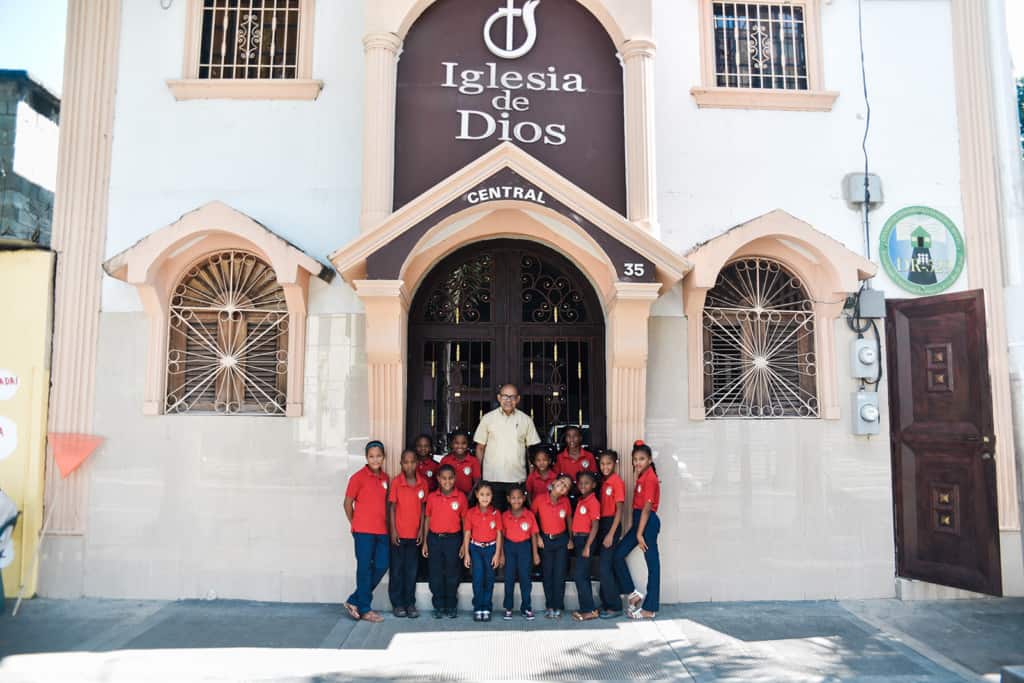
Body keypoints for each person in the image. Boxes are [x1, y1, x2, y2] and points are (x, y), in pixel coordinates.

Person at [612, 441, 661, 620]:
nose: (637, 462)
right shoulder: (642, 477)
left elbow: (647, 509)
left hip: (647, 525)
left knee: (653, 565)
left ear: (649, 460)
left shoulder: (650, 478)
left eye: (642, 459)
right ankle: (632, 593)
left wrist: (639, 534)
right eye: (635, 459)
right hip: (640, 524)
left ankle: (650, 608)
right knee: (617, 555)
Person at [343, 440, 390, 623]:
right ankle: (365, 609)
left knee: (381, 565)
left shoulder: (385, 478)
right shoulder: (358, 478)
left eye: (378, 456)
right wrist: (354, 523)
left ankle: (354, 600)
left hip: (382, 531)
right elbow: (347, 503)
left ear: (383, 457)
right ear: (366, 458)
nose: (375, 459)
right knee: (364, 569)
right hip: (363, 532)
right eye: (371, 456)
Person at [473, 384, 541, 510]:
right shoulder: (488, 418)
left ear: (518, 399)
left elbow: (531, 451)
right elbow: (480, 448)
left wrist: (530, 476)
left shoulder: (526, 420)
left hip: (517, 479)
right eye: (505, 396)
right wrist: (482, 473)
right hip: (492, 478)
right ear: (499, 398)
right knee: (495, 516)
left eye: (512, 397)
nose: (508, 400)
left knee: (515, 517)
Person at [422, 464, 467, 619]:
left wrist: (463, 544)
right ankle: (438, 606)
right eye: (444, 478)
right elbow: (427, 518)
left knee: (452, 573)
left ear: (454, 479)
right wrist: (426, 541)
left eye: (450, 478)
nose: (447, 481)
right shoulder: (432, 497)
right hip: (434, 539)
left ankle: (451, 605)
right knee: (435, 574)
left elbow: (465, 522)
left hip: (453, 540)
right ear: (438, 479)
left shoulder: (460, 497)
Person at [388, 449, 428, 618]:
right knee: (397, 571)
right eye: (406, 462)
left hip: (414, 536)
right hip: (399, 536)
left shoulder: (423, 483)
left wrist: (421, 530)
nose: (409, 465)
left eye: (412, 461)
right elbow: (392, 508)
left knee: (411, 571)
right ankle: (397, 604)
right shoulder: (397, 482)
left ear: (417, 463)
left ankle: (410, 603)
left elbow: (424, 509)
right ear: (401, 463)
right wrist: (393, 531)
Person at [463, 481, 504, 622]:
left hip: (491, 549)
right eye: (482, 494)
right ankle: (478, 607)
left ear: (492, 496)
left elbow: (499, 534)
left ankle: (486, 607)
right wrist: (467, 553)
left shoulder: (496, 513)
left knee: (489, 579)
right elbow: (467, 533)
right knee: (478, 578)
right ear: (476, 495)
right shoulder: (471, 513)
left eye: (488, 494)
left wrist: (497, 554)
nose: (485, 497)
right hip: (476, 549)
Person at [534, 474, 573, 619]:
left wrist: (570, 538)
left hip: (561, 540)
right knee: (547, 573)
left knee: (559, 574)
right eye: (562, 482)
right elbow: (532, 518)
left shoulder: (566, 502)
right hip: (546, 540)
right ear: (554, 482)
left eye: (566, 486)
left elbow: (569, 519)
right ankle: (549, 605)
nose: (562, 486)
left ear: (566, 492)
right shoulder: (540, 499)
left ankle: (558, 606)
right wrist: (538, 537)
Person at [501, 484, 539, 621]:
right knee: (509, 579)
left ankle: (527, 607)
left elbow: (534, 535)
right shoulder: (504, 516)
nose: (516, 500)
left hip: (524, 548)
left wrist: (535, 554)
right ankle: (508, 608)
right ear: (508, 499)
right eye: (513, 498)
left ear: (523, 498)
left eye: (519, 497)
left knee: (525, 579)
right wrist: (501, 554)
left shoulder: (529, 515)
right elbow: (501, 535)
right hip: (509, 547)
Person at [596, 449, 625, 618]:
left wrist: (610, 534)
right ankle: (606, 603)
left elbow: (619, 511)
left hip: (611, 525)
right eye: (602, 463)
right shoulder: (605, 481)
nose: (605, 466)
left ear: (615, 464)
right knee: (604, 567)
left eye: (608, 463)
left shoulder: (616, 482)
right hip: (603, 524)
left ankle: (615, 606)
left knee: (604, 568)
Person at [570, 471, 601, 621]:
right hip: (579, 540)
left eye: (586, 483)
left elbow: (595, 525)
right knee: (583, 575)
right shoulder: (582, 500)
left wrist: (588, 545)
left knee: (579, 575)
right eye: (580, 483)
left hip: (586, 541)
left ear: (593, 485)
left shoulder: (593, 501)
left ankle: (589, 610)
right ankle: (588, 608)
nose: (583, 485)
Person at [440, 431, 481, 498]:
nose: (460, 446)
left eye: (463, 443)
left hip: (468, 498)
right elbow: (440, 480)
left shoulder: (473, 461)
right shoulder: (445, 460)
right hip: (448, 497)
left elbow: (477, 482)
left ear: (468, 444)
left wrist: (470, 497)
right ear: (451, 444)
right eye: (456, 443)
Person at [525, 445, 556, 510]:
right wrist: (532, 507)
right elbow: (528, 494)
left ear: (549, 461)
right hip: (536, 508)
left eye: (544, 460)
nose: (541, 463)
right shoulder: (532, 477)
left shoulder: (555, 477)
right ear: (534, 462)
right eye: (538, 460)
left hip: (551, 508)